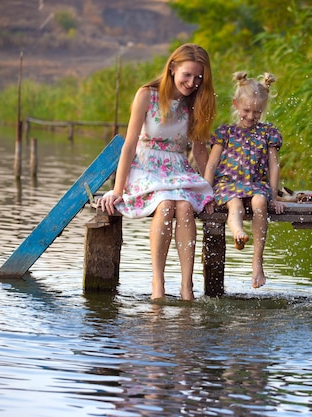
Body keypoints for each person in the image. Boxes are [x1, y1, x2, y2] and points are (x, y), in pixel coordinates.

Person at [98, 43, 216, 301]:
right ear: (172, 68)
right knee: (165, 205)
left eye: (199, 77)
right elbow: (129, 145)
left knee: (184, 207)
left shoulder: (195, 102)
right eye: (187, 75)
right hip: (146, 167)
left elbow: (198, 151)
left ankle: (187, 286)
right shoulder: (147, 95)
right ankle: (158, 283)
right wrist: (118, 189)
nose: (192, 82)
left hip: (177, 168)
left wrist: (210, 189)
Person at [204, 71, 285, 289]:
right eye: (246, 110)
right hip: (228, 185)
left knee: (260, 202)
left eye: (257, 112)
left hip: (257, 184)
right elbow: (211, 165)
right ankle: (238, 232)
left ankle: (257, 262)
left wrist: (275, 195)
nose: (251, 116)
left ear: (263, 110)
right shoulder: (225, 132)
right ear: (236, 104)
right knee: (235, 204)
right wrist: (206, 194)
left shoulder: (268, 132)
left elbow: (273, 165)